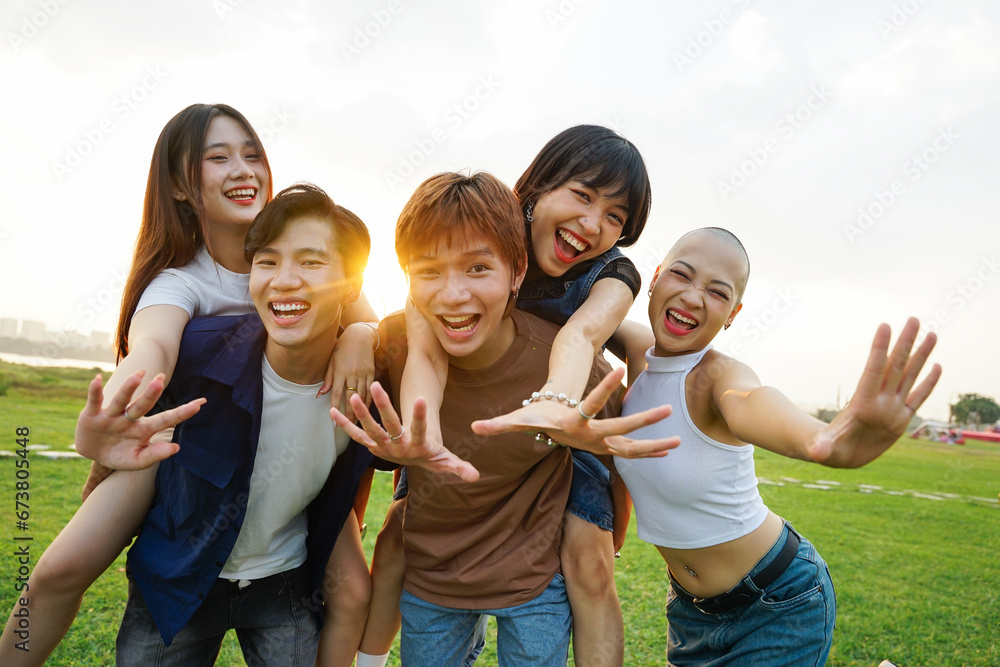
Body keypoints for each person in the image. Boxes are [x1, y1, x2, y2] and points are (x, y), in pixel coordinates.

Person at [0, 104, 378, 667]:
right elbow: (151, 347)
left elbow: (369, 317)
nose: (243, 170)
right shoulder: (181, 281)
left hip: (285, 440)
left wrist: (360, 336)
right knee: (58, 571)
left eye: (252, 154)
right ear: (179, 185)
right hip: (181, 440)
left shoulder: (298, 249)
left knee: (351, 589)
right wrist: (121, 405)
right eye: (218, 158)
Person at [332, 171, 678, 666]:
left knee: (590, 566)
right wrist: (358, 334)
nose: (453, 294)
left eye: (477, 268)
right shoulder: (401, 348)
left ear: (518, 272)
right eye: (429, 271)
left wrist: (610, 510)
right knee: (392, 543)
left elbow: (616, 449)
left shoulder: (572, 359)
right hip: (435, 578)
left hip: (533, 579)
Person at [612, 227, 941, 665]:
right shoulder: (636, 350)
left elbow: (750, 400)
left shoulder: (720, 377)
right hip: (691, 613)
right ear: (655, 278)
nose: (693, 297)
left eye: (717, 292)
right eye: (681, 275)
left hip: (779, 599)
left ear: (733, 314)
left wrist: (822, 440)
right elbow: (571, 306)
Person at [114, 182, 380, 665]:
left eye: (311, 262)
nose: (285, 280)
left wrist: (366, 331)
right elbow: (132, 424)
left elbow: (419, 326)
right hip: (180, 582)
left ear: (352, 284)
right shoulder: (198, 354)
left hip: (284, 584)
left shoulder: (372, 382)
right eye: (267, 261)